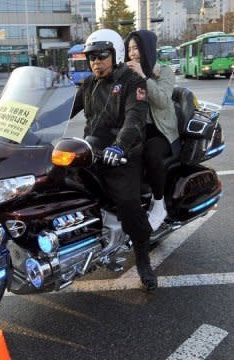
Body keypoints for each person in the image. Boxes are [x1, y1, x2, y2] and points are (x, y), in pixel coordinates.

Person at [71, 29, 157, 291]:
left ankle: (143, 259)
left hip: (122, 156)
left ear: (116, 54)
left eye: (101, 55)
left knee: (128, 203)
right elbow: (60, 112)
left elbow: (134, 119)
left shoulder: (132, 81)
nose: (96, 61)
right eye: (91, 57)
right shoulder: (88, 85)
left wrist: (119, 147)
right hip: (92, 152)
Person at [125, 30, 179, 231]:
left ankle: (158, 204)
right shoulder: (127, 72)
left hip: (161, 130)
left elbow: (163, 100)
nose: (133, 53)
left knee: (151, 154)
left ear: (147, 49)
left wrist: (142, 76)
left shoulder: (164, 71)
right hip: (137, 128)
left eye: (136, 48)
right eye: (129, 49)